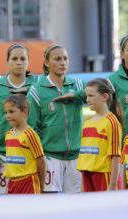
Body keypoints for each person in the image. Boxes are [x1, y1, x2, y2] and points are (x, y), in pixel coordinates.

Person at [27, 44, 85, 193]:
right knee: (51, 203)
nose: (62, 62)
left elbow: (103, 93)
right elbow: (32, 128)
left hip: (76, 157)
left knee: (74, 205)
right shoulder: (36, 90)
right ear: (47, 63)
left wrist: (76, 96)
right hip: (50, 158)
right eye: (57, 59)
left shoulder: (77, 85)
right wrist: (40, 158)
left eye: (65, 59)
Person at [0, 43, 36, 194]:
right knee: (4, 205)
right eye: (14, 58)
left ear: (28, 61)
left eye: (23, 58)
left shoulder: (37, 85)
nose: (19, 62)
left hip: (31, 155)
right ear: (7, 61)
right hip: (4, 156)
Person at [77, 78, 123, 192]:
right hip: (87, 175)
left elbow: (115, 156)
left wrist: (112, 185)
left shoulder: (112, 122)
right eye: (87, 96)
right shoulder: (87, 123)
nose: (87, 100)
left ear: (104, 97)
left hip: (104, 176)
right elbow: (85, 154)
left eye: (91, 96)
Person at [3, 94, 45, 194]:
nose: (8, 116)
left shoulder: (30, 134)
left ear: (24, 112)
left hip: (28, 182)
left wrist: (41, 186)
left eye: (11, 112)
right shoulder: (8, 134)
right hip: (12, 183)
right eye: (6, 112)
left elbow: (41, 161)